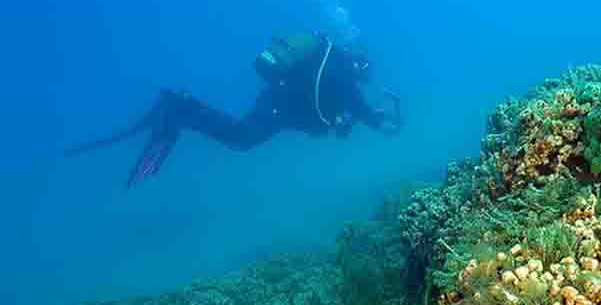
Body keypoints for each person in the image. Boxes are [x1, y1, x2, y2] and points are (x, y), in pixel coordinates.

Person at [66, 30, 402, 187]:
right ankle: (180, 106)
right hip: (280, 106)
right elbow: (367, 117)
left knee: (243, 138)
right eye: (367, 71)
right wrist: (389, 117)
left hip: (280, 103)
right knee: (242, 138)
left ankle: (180, 109)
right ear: (359, 65)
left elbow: (333, 113)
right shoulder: (344, 78)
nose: (367, 77)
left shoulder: (334, 71)